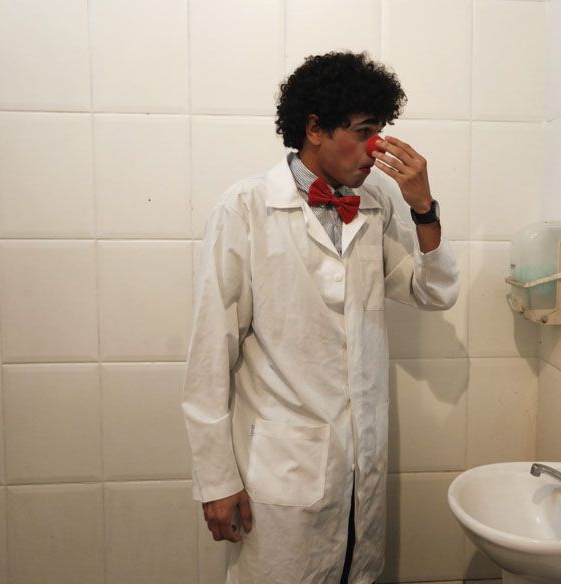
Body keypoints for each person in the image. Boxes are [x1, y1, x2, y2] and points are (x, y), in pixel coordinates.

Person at [181, 51, 460, 584]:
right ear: (314, 128)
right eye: (362, 132)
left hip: (363, 469)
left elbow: (431, 290)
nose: (375, 148)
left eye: (380, 131)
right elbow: (210, 351)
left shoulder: (376, 199)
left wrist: (423, 206)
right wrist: (216, 480)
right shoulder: (245, 209)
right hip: (284, 471)